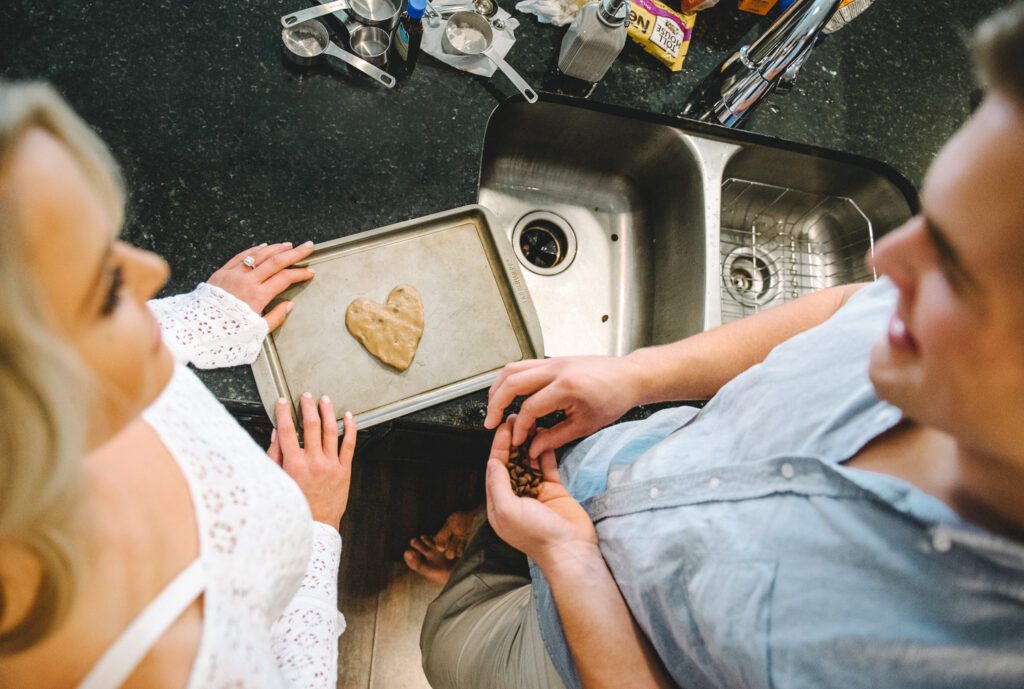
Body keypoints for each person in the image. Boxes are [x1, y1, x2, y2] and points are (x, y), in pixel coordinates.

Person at [412, 4, 1024, 688]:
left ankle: (469, 582)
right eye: (934, 222)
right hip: (596, 479)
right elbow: (852, 307)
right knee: (489, 543)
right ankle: (478, 549)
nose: (886, 266)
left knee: (446, 641)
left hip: (570, 653)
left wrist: (570, 560)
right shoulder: (935, 305)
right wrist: (637, 376)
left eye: (955, 268)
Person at [0, 81, 356, 688]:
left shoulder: (83, 395)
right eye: (106, 286)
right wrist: (316, 529)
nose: (153, 272)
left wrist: (201, 319)